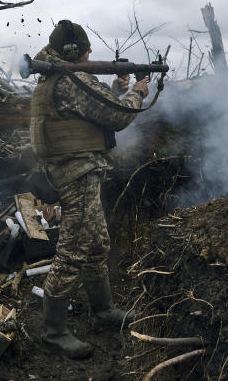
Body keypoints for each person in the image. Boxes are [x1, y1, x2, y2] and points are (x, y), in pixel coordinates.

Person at [29, 20, 149, 358]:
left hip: (75, 171)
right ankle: (54, 332)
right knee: (74, 251)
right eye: (85, 48)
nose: (90, 53)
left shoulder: (54, 76)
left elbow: (88, 111)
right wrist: (136, 94)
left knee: (97, 242)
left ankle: (103, 311)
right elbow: (116, 115)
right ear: (72, 51)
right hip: (76, 174)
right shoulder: (70, 79)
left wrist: (114, 88)